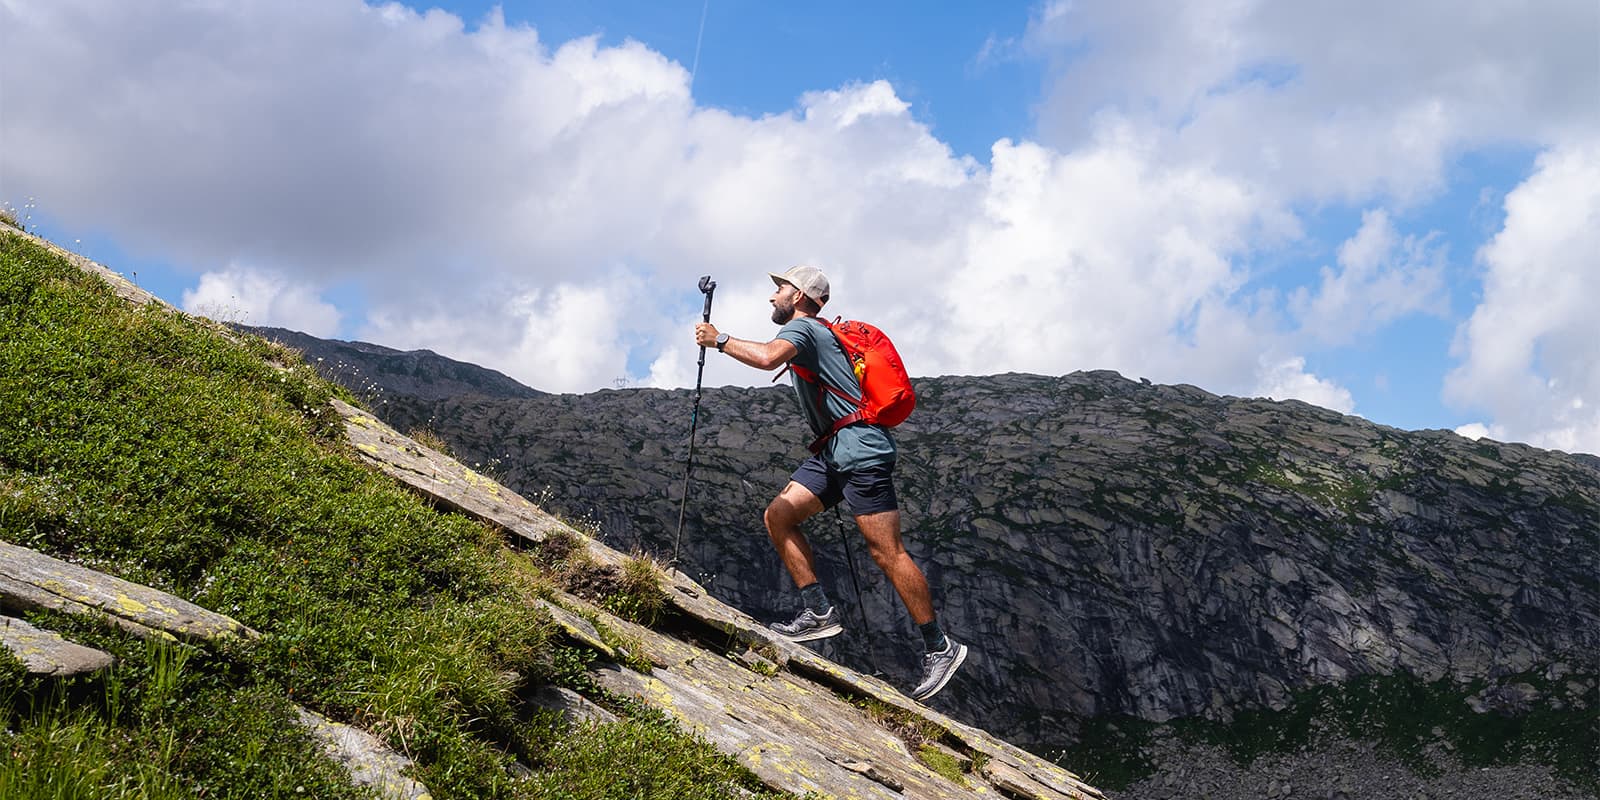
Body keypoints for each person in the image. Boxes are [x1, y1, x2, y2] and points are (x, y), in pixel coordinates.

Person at [693, 265, 967, 701]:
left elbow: (766, 358)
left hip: (860, 451)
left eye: (779, 289)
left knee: (886, 552)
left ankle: (940, 646)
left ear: (799, 295)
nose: (772, 297)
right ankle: (818, 610)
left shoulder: (803, 329)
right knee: (779, 515)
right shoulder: (813, 332)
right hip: (834, 452)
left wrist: (719, 340)